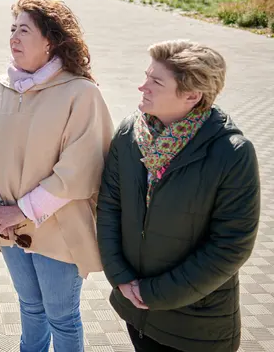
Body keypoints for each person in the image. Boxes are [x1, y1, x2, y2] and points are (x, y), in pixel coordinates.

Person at [0, 0, 114, 352]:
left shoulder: (81, 93)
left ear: (50, 41)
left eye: (24, 30)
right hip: (8, 225)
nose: (13, 37)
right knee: (29, 308)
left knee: (62, 317)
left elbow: (81, 168)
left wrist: (22, 210)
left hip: (58, 229)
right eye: (12, 29)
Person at [97, 40, 260, 352]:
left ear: (192, 95)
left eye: (156, 81)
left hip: (196, 326)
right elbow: (108, 206)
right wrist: (120, 277)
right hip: (135, 309)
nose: (141, 86)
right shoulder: (130, 133)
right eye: (147, 75)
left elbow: (231, 245)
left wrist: (153, 294)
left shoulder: (232, 153)